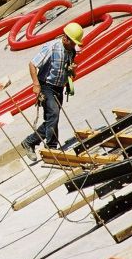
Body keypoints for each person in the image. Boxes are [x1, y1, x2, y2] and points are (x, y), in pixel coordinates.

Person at [20, 22, 84, 163]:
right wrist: (36, 84)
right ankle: (52, 147)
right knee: (53, 115)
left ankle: (29, 142)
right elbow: (32, 64)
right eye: (72, 42)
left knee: (52, 119)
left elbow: (69, 71)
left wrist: (72, 71)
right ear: (65, 38)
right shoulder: (52, 48)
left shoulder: (71, 51)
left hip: (59, 88)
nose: (74, 46)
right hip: (46, 86)